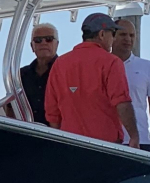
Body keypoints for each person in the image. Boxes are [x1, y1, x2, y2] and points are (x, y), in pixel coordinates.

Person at [44, 12, 136, 144]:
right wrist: (134, 136)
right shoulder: (111, 62)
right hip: (105, 145)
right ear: (102, 34)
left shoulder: (60, 63)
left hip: (69, 144)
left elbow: (52, 111)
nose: (113, 39)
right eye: (113, 33)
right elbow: (122, 102)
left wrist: (61, 139)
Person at [110, 16, 150, 152]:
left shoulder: (147, 67)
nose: (128, 39)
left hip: (140, 140)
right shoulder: (100, 65)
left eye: (132, 35)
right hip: (108, 139)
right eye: (123, 34)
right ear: (112, 36)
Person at [18, 21, 57, 123]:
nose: (43, 43)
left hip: (58, 134)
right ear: (32, 46)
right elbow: (10, 107)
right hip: (27, 132)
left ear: (56, 44)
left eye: (49, 39)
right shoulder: (20, 75)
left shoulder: (66, 71)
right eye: (38, 40)